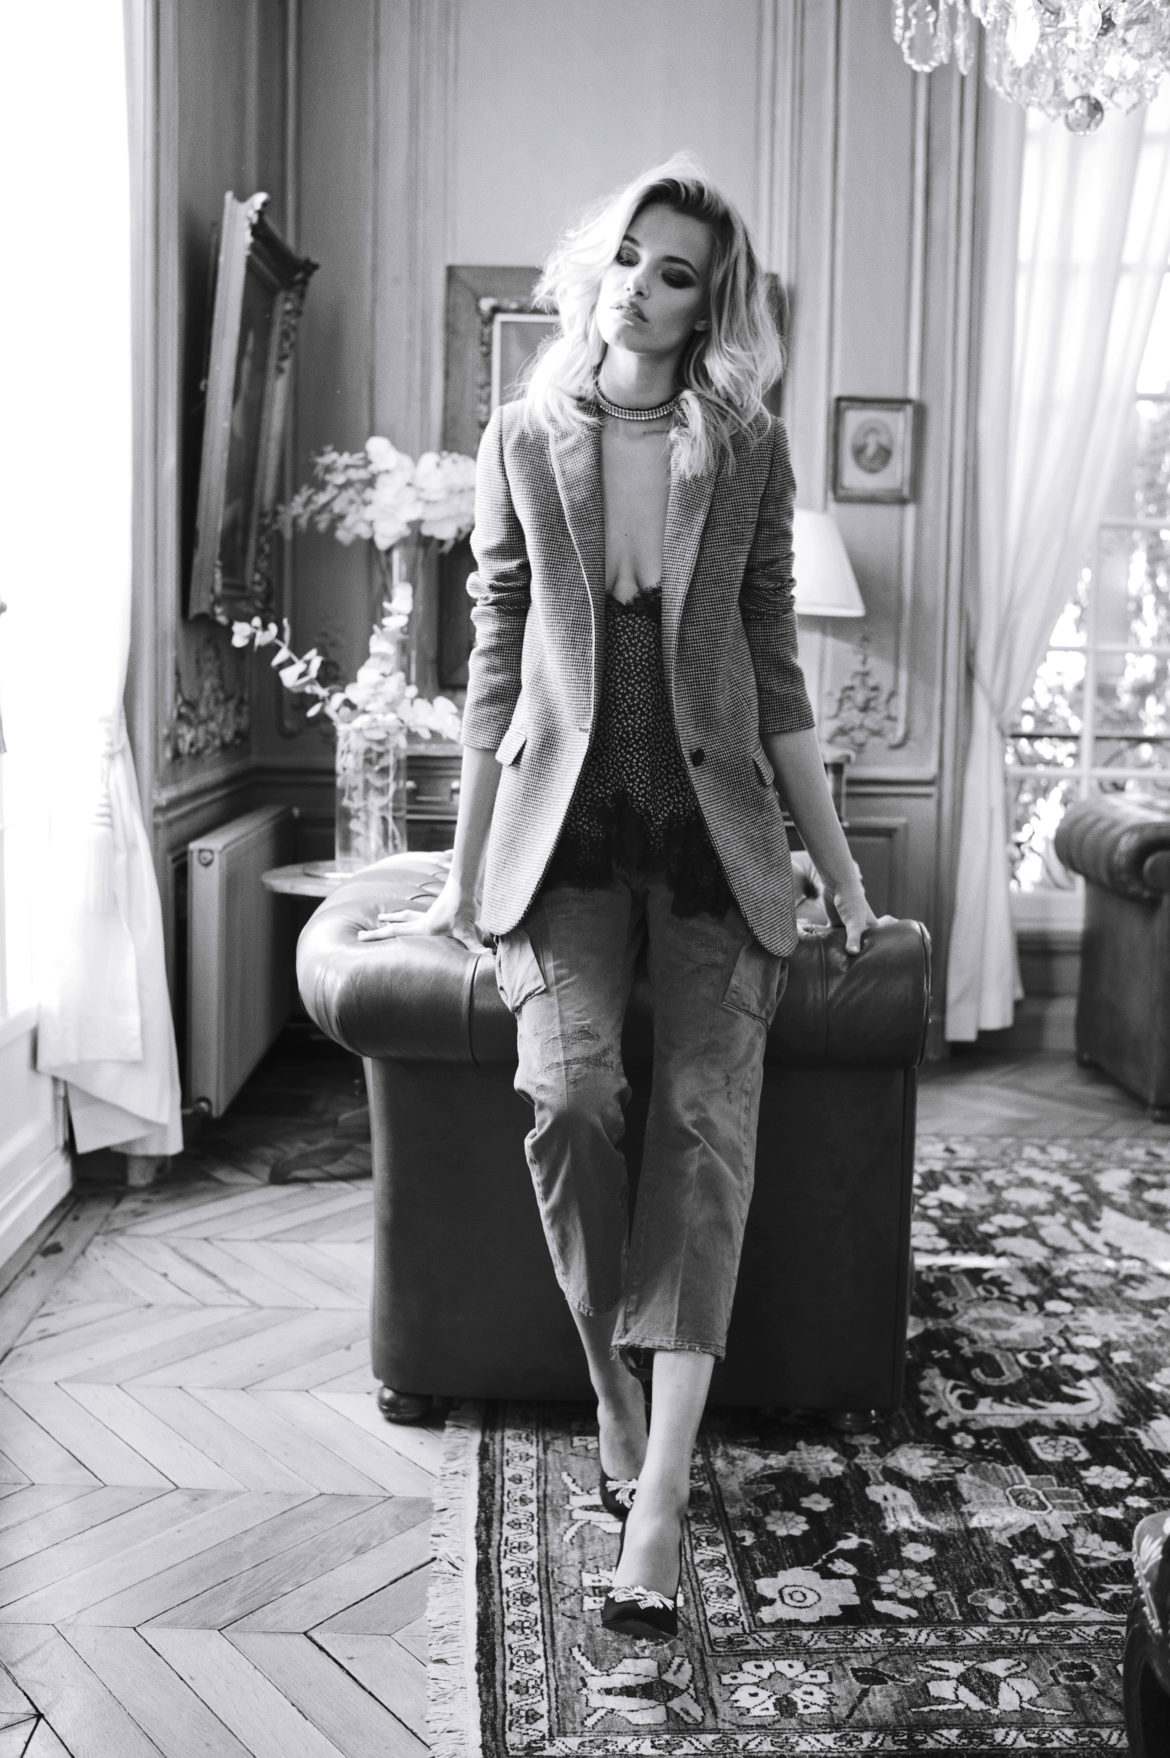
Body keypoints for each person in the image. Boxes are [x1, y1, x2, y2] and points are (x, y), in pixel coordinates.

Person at [359, 154, 876, 1642]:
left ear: (710, 304)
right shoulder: (524, 435)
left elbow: (774, 676)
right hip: (565, 838)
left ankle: (659, 1496)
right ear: (601, 262)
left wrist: (838, 872)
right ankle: (605, 1373)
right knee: (572, 1093)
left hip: (714, 839)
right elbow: (494, 663)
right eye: (633, 258)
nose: (643, 289)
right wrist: (463, 876)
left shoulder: (748, 445)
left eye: (678, 274)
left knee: (705, 1125)